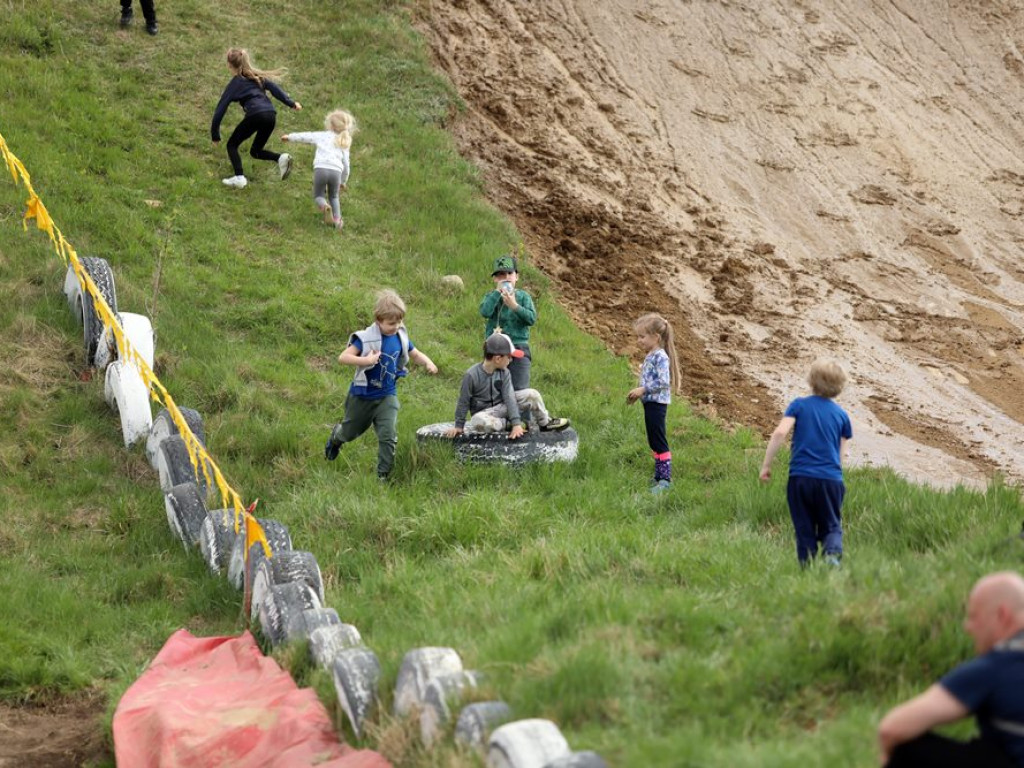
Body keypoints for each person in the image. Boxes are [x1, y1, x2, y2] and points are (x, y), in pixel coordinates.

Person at [877, 571, 1024, 768]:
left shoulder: (997, 666)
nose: (967, 627)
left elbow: (891, 729)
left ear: (1002, 615)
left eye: (973, 616)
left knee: (906, 748)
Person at [324, 290, 437, 481]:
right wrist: (366, 360)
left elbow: (415, 353)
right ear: (378, 319)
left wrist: (428, 362)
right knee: (350, 432)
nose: (396, 326)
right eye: (391, 323)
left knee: (388, 436)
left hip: (387, 395)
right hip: (362, 396)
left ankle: (383, 476)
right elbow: (343, 357)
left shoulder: (400, 337)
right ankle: (336, 437)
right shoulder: (366, 338)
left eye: (399, 322)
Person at [759, 358, 852, 566]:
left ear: (811, 381)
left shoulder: (799, 406)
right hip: (831, 479)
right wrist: (837, 479)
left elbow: (780, 432)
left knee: (804, 527)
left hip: (800, 478)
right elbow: (842, 455)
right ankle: (831, 555)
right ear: (840, 387)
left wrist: (766, 465)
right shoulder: (842, 416)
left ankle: (807, 569)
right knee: (832, 525)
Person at [445, 333, 569, 439]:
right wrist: (458, 426)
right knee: (477, 422)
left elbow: (510, 398)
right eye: (509, 357)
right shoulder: (471, 375)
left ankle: (545, 423)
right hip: (484, 414)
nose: (511, 361)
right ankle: (507, 425)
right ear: (498, 359)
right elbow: (463, 401)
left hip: (503, 408)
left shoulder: (505, 373)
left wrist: (516, 423)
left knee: (532, 394)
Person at [211, 48, 302, 190]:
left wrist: (215, 134)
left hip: (255, 114)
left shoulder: (235, 83)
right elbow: (274, 88)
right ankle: (281, 158)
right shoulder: (257, 77)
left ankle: (239, 177)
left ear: (229, 65)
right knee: (256, 151)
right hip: (271, 115)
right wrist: (291, 103)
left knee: (232, 145)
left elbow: (220, 109)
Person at [626, 313, 682, 493]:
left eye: (642, 337)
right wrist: (638, 395)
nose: (638, 340)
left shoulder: (661, 357)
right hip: (649, 403)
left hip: (657, 404)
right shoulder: (651, 355)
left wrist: (642, 390)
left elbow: (663, 382)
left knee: (659, 440)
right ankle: (658, 475)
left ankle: (665, 479)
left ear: (656, 337)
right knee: (653, 439)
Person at [281, 109, 356, 231]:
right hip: (336, 173)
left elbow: (305, 136)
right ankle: (338, 221)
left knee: (318, 195)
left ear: (330, 125)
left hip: (321, 169)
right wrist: (343, 181)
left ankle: (324, 206)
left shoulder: (322, 135)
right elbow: (347, 165)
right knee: (334, 197)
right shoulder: (344, 142)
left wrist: (289, 137)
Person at [479, 255, 536, 390]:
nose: (506, 277)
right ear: (495, 279)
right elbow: (485, 312)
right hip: (495, 348)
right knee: (493, 388)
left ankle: (521, 411)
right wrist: (496, 294)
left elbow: (531, 318)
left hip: (518, 347)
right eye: (501, 275)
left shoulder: (523, 296)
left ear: (517, 276)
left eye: (510, 273)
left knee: (519, 389)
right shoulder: (491, 296)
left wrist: (514, 306)